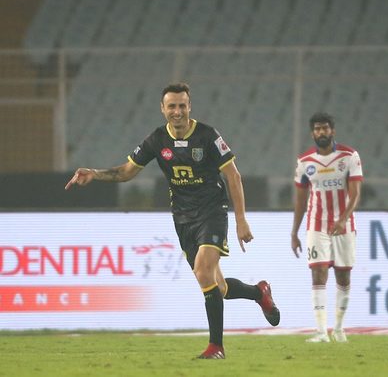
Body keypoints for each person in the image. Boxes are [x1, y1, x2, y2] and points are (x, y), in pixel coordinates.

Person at [64, 83, 279, 359]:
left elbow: (233, 175)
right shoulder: (157, 139)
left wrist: (241, 220)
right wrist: (94, 173)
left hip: (212, 212)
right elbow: (127, 171)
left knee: (203, 271)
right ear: (163, 109)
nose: (177, 111)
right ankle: (259, 293)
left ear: (190, 107)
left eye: (182, 106)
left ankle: (216, 347)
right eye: (172, 106)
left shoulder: (207, 135)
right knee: (219, 287)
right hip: (183, 218)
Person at [291, 112, 363, 343]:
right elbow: (300, 200)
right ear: (312, 133)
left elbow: (355, 194)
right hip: (317, 224)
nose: (321, 132)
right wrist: (294, 232)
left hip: (344, 225)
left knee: (343, 275)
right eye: (317, 129)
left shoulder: (349, 156)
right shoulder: (305, 162)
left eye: (325, 128)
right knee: (318, 272)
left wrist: (343, 219)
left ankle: (339, 328)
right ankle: (321, 331)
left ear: (332, 130)